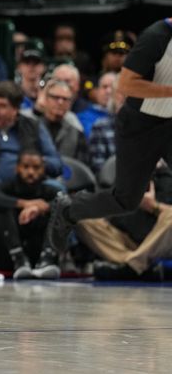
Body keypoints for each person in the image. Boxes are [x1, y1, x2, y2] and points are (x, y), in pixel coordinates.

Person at [47, 18, 172, 253]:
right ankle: (69, 209)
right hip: (140, 126)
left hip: (170, 123)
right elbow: (126, 84)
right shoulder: (157, 36)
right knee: (125, 200)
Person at [0, 150, 61, 279]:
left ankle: (47, 259)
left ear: (43, 169)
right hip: (8, 254)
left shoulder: (49, 189)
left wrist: (42, 207)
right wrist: (24, 204)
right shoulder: (8, 186)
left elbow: (68, 203)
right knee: (2, 207)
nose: (30, 172)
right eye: (26, 167)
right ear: (17, 168)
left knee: (60, 210)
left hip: (38, 248)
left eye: (36, 168)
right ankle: (18, 259)